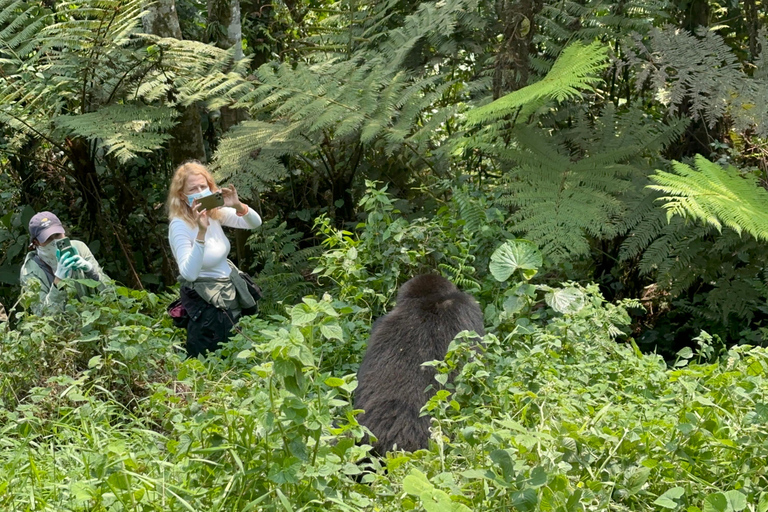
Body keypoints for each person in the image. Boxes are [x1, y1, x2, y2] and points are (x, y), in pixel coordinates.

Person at [167, 161, 262, 357]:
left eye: (204, 186)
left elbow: (254, 223)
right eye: (194, 189)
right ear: (183, 196)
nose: (200, 192)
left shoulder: (215, 213)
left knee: (241, 351)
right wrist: (201, 232)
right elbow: (189, 273)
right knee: (215, 356)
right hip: (206, 301)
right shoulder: (179, 225)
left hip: (230, 291)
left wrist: (237, 205)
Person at [20, 211, 108, 315]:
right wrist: (58, 282)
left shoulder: (80, 248)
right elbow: (42, 315)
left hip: (92, 320)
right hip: (60, 328)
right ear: (36, 242)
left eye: (57, 235)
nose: (54, 241)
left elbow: (110, 292)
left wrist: (91, 271)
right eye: (48, 238)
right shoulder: (29, 271)